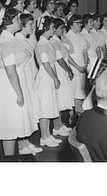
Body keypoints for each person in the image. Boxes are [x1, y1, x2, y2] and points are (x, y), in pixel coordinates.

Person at [0, 8, 35, 156]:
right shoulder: (7, 42)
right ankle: (9, 160)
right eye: (16, 19)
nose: (19, 22)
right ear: (8, 22)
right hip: (9, 85)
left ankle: (19, 151)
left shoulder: (8, 38)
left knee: (13, 121)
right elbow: (10, 71)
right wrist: (19, 93)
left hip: (9, 82)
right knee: (8, 124)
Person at [15, 13, 43, 155]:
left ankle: (26, 143)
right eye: (31, 24)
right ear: (23, 25)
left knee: (28, 111)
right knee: (22, 112)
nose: (33, 27)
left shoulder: (23, 39)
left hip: (27, 76)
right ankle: (22, 146)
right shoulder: (17, 40)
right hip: (21, 77)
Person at [35, 16, 62, 147]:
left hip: (48, 76)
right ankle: (44, 137)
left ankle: (48, 134)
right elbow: (46, 64)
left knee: (49, 105)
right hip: (45, 76)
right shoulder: (41, 44)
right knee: (44, 108)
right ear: (46, 28)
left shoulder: (46, 43)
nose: (54, 30)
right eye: (52, 27)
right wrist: (55, 78)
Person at [50, 18, 74, 136]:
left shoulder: (58, 41)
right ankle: (57, 127)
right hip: (60, 71)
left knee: (61, 99)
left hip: (62, 72)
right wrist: (69, 70)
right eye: (61, 28)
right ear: (54, 29)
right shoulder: (54, 42)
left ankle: (59, 124)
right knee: (58, 99)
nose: (63, 30)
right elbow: (59, 60)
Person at [61, 14, 88, 118]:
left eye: (81, 22)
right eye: (78, 23)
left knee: (81, 89)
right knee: (73, 90)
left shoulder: (81, 36)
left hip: (82, 66)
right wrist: (77, 67)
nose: (80, 25)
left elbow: (85, 52)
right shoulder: (66, 38)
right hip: (73, 66)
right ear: (71, 25)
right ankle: (72, 115)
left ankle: (79, 112)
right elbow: (66, 56)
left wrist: (85, 64)